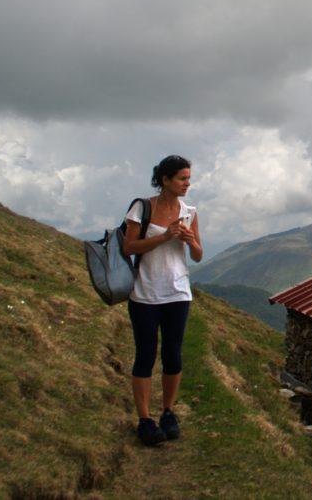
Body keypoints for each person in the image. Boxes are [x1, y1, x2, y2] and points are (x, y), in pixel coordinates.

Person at [122, 155, 203, 446]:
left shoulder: (189, 211)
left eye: (188, 178)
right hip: (145, 293)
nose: (187, 183)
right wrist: (165, 236)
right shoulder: (142, 207)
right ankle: (145, 419)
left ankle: (168, 412)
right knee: (146, 354)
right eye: (182, 178)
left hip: (178, 292)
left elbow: (197, 255)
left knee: (173, 354)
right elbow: (128, 247)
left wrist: (189, 240)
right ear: (165, 180)